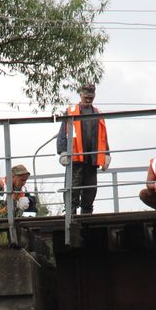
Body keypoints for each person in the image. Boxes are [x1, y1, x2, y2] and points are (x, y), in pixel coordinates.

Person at [57, 83, 110, 214]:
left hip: (92, 160)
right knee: (72, 192)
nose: (88, 99)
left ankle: (87, 223)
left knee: (90, 193)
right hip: (75, 160)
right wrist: (63, 151)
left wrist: (107, 154)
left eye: (91, 97)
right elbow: (63, 132)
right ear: (80, 95)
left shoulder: (98, 113)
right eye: (86, 97)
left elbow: (103, 136)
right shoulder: (70, 112)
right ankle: (70, 220)